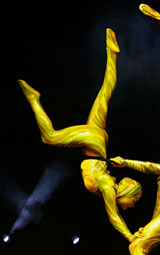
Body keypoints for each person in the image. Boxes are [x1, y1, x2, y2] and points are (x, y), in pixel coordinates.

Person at [18, 28, 142, 243]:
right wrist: (131, 237)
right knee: (49, 137)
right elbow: (114, 217)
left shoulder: (107, 182)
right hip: (93, 144)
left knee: (105, 91)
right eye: (133, 202)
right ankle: (34, 100)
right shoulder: (107, 186)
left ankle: (111, 53)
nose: (131, 206)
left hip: (97, 143)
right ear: (126, 195)